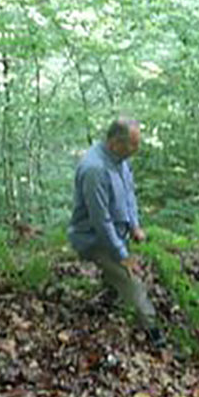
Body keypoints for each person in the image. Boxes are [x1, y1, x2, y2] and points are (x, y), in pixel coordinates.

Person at [67, 118, 163, 347]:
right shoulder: (95, 169)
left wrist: (135, 225)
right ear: (114, 143)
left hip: (117, 232)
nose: (136, 150)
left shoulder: (121, 160)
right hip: (93, 237)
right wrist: (122, 255)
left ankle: (108, 301)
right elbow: (101, 222)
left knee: (118, 276)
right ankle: (154, 333)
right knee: (132, 280)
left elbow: (129, 194)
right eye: (132, 145)